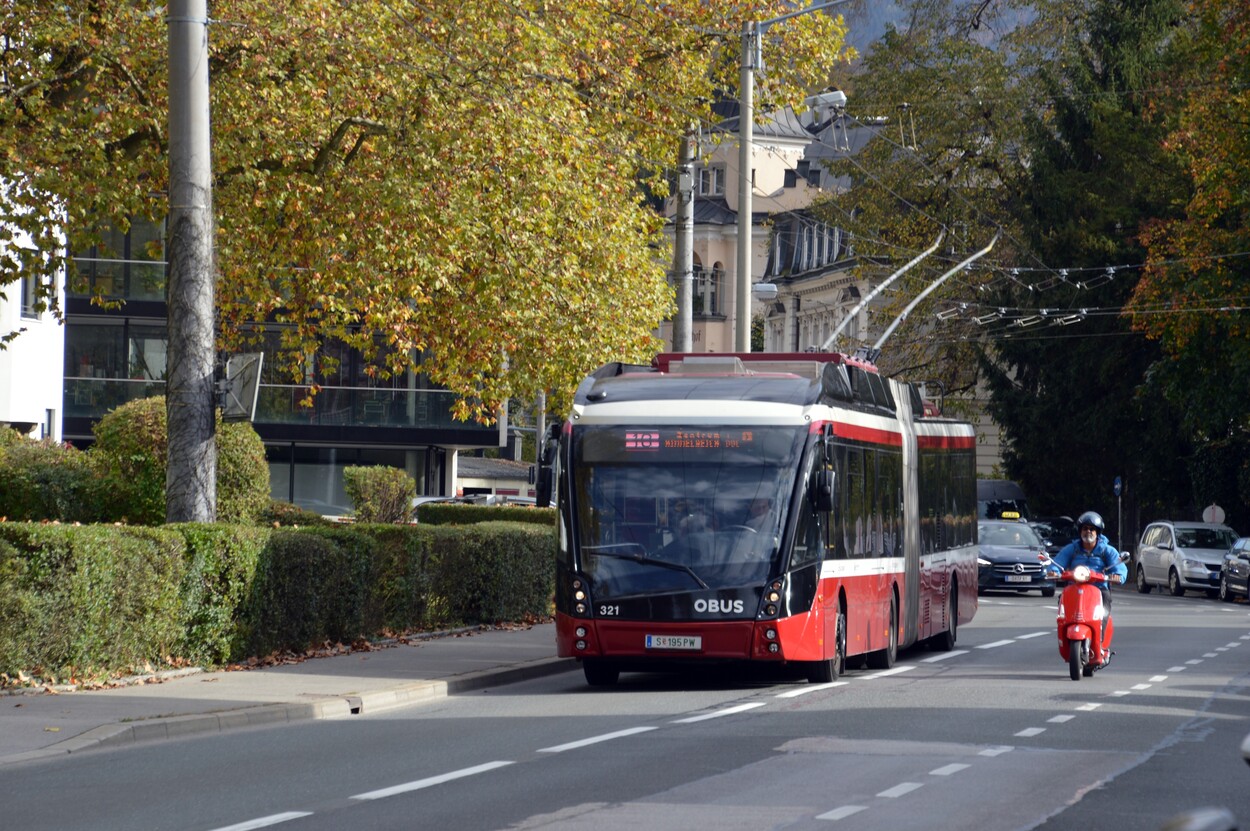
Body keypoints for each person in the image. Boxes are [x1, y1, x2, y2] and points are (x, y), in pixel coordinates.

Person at [1046, 510, 1127, 612]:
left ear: (1097, 533)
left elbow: (1119, 567)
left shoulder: (1107, 550)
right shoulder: (1072, 548)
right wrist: (1054, 571)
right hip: (1074, 587)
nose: (1088, 531)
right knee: (1063, 610)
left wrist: (1117, 575)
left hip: (1099, 589)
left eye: (1092, 529)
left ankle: (1101, 627)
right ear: (1080, 531)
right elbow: (1058, 562)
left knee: (1104, 612)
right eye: (1085, 528)